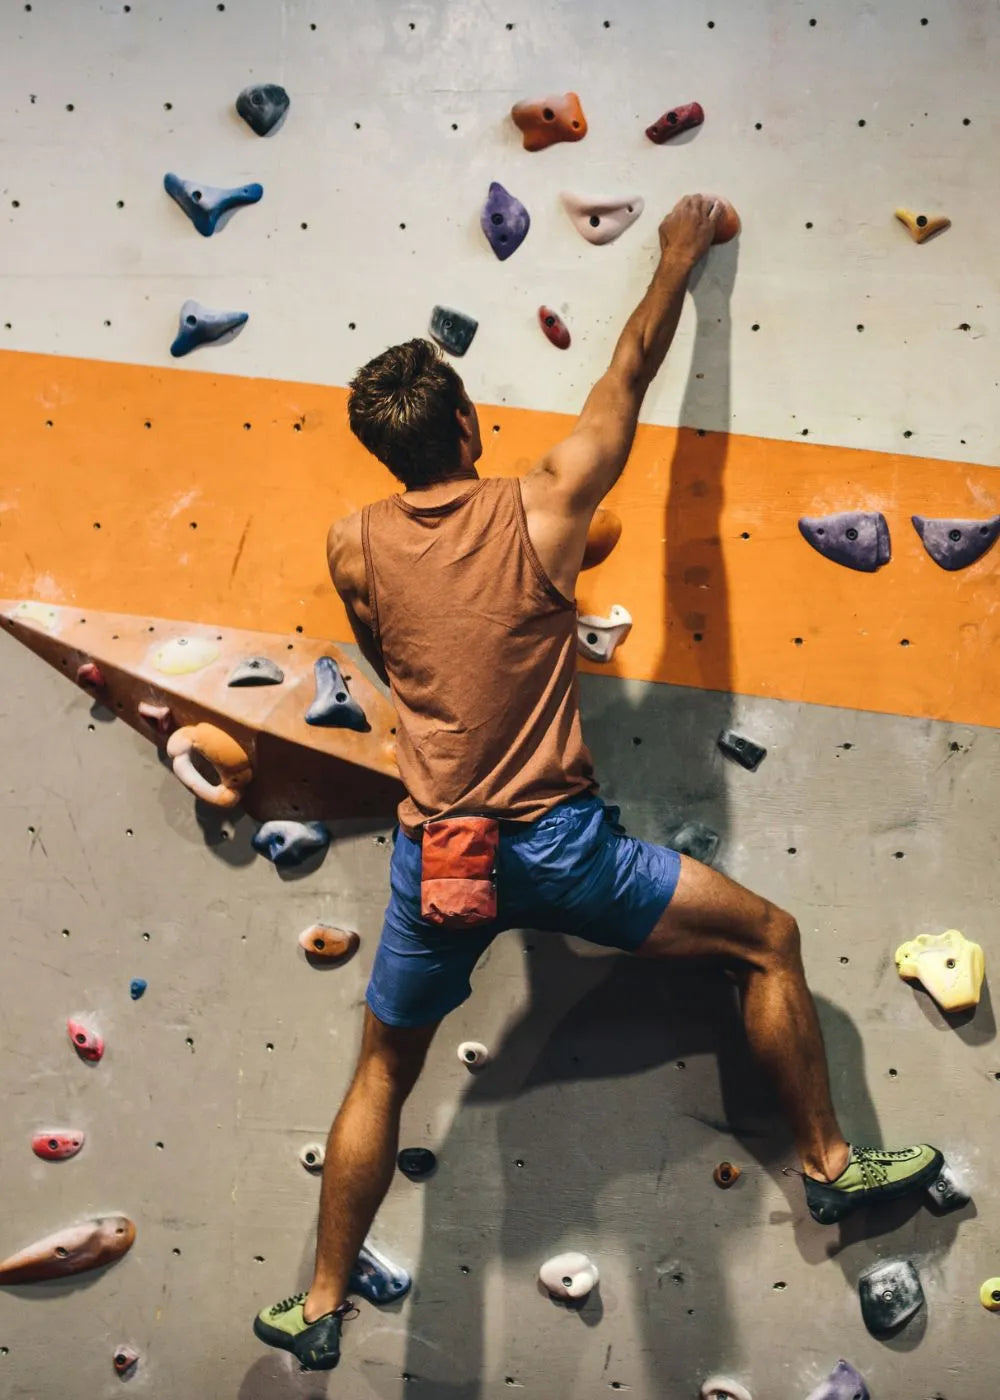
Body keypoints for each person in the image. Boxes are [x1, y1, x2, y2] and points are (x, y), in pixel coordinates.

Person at [253, 194, 942, 1371]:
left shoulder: (352, 541)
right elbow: (628, 369)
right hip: (561, 850)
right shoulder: (543, 503)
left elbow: (404, 665)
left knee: (381, 1066)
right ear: (466, 421)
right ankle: (828, 1168)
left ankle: (318, 1301)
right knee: (767, 938)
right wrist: (678, 252)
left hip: (441, 864)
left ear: (387, 448)